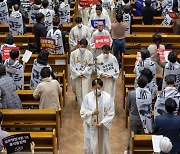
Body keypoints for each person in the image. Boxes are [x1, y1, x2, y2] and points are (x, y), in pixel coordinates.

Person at [80, 78, 115, 154]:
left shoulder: (108, 98)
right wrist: (92, 113)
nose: (97, 90)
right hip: (90, 126)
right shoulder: (87, 97)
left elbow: (111, 113)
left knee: (102, 145)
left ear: (102, 87)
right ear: (92, 87)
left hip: (102, 127)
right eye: (95, 88)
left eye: (99, 88)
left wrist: (102, 123)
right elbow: (82, 112)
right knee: (90, 146)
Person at [70, 39, 93, 105]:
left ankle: (85, 106)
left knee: (85, 91)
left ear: (86, 46)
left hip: (85, 75)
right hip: (77, 75)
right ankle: (81, 106)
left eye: (83, 47)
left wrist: (83, 73)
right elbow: (71, 65)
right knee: (78, 92)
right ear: (79, 45)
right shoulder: (73, 53)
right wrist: (77, 73)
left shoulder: (89, 54)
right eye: (81, 46)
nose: (82, 48)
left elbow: (90, 65)